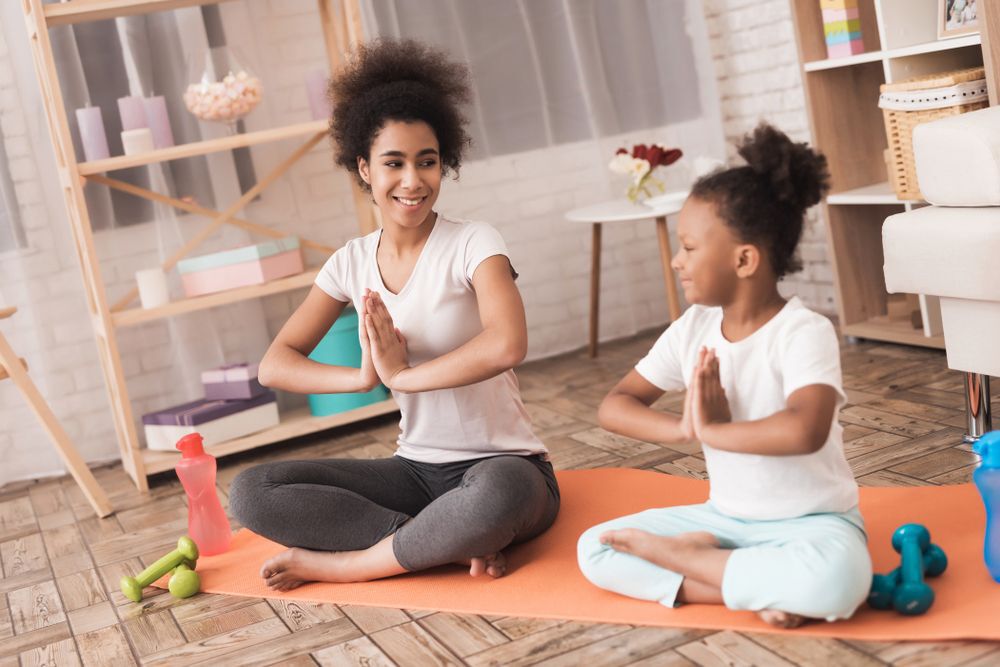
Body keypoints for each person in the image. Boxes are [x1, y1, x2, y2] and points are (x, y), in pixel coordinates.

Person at [229, 39, 559, 591]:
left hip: (503, 465)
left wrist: (402, 376)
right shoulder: (349, 262)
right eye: (394, 163)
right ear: (363, 168)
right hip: (414, 472)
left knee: (499, 497)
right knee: (252, 491)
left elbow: (507, 343)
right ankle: (435, 542)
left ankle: (353, 564)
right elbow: (274, 365)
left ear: (443, 163)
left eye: (427, 162)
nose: (413, 181)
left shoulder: (475, 243)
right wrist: (364, 378)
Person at [576, 124, 872, 628]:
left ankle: (690, 565)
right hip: (723, 522)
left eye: (689, 247)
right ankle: (754, 585)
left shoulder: (803, 331)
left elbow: (805, 430)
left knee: (841, 576)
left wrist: (715, 431)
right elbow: (616, 404)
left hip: (814, 523)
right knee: (594, 549)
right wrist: (685, 428)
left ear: (744, 259)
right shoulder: (694, 328)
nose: (676, 261)